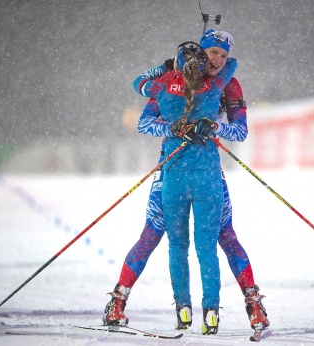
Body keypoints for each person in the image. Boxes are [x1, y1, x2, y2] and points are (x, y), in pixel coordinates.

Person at [103, 30, 269, 333]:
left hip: (207, 170)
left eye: (223, 55)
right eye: (212, 53)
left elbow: (240, 132)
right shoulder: (173, 78)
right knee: (153, 233)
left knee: (225, 235)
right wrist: (176, 126)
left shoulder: (228, 85)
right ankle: (118, 302)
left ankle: (254, 305)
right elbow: (147, 122)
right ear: (200, 53)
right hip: (170, 168)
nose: (217, 60)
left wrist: (214, 126)